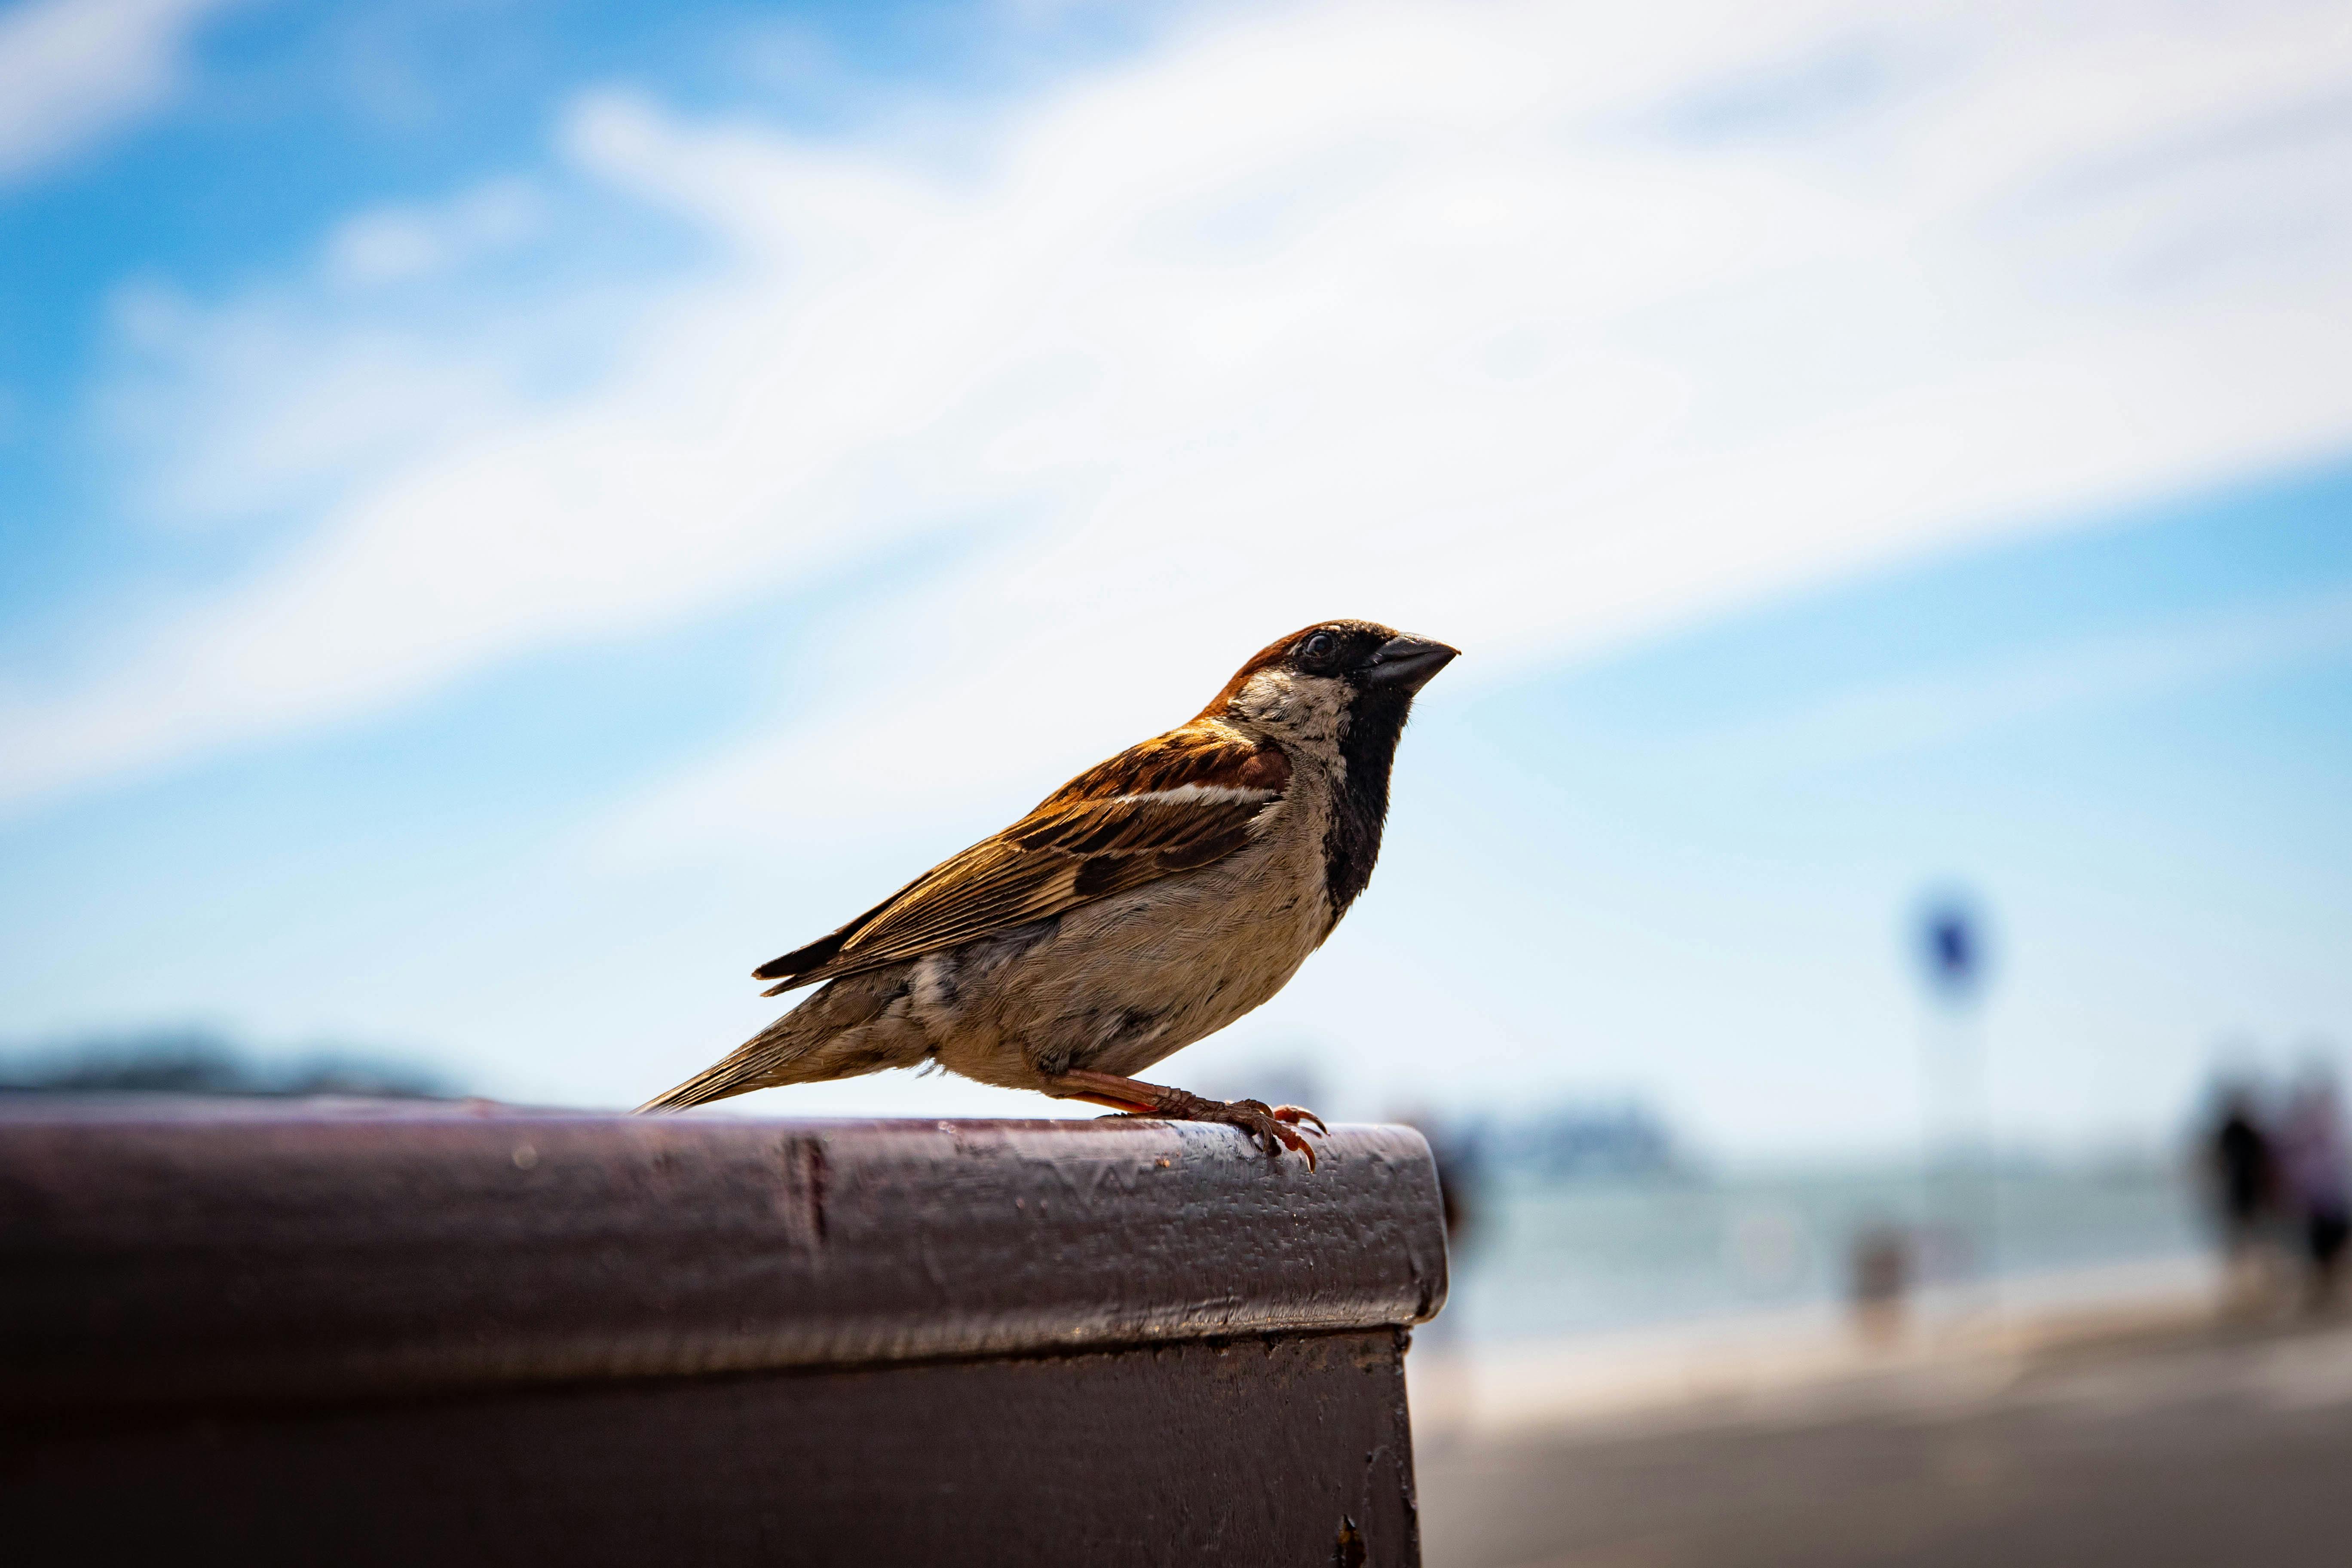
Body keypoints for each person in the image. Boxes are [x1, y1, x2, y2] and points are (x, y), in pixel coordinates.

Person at [2276, 1066, 2350, 1310]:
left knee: (2330, 1246)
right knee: (2321, 1249)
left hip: (2327, 1199)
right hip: (2318, 1201)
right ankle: (2324, 1290)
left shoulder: (2323, 1131)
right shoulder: (2304, 1133)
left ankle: (2325, 1290)